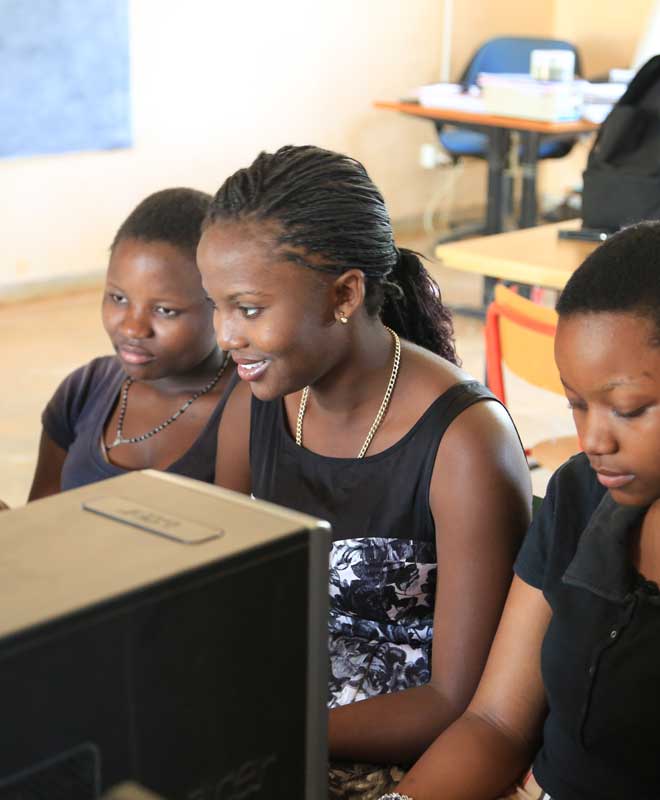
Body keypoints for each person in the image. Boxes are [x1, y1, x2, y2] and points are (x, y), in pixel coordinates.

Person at [196, 145, 532, 797]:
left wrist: (271, 726)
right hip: (266, 726)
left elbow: (456, 700)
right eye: (216, 306)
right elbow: (222, 601)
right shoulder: (257, 406)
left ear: (346, 292)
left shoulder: (465, 443)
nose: (225, 334)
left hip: (404, 755)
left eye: (249, 308)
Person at [386, 220, 660, 800]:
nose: (593, 439)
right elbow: (495, 721)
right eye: (578, 404)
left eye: (630, 409)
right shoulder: (581, 495)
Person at [29, 188, 236, 500]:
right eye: (118, 298)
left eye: (165, 310)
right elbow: (42, 522)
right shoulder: (85, 390)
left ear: (220, 304)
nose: (132, 328)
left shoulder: (252, 408)